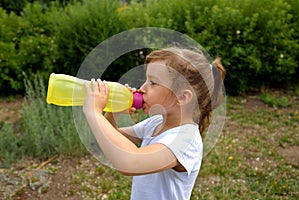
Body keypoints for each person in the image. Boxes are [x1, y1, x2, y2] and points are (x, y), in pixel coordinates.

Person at [83, 46, 226, 200]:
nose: (142, 88)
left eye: (152, 82)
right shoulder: (156, 123)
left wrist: (93, 112)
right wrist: (114, 111)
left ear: (183, 97)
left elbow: (130, 162)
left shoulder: (186, 141)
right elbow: (112, 137)